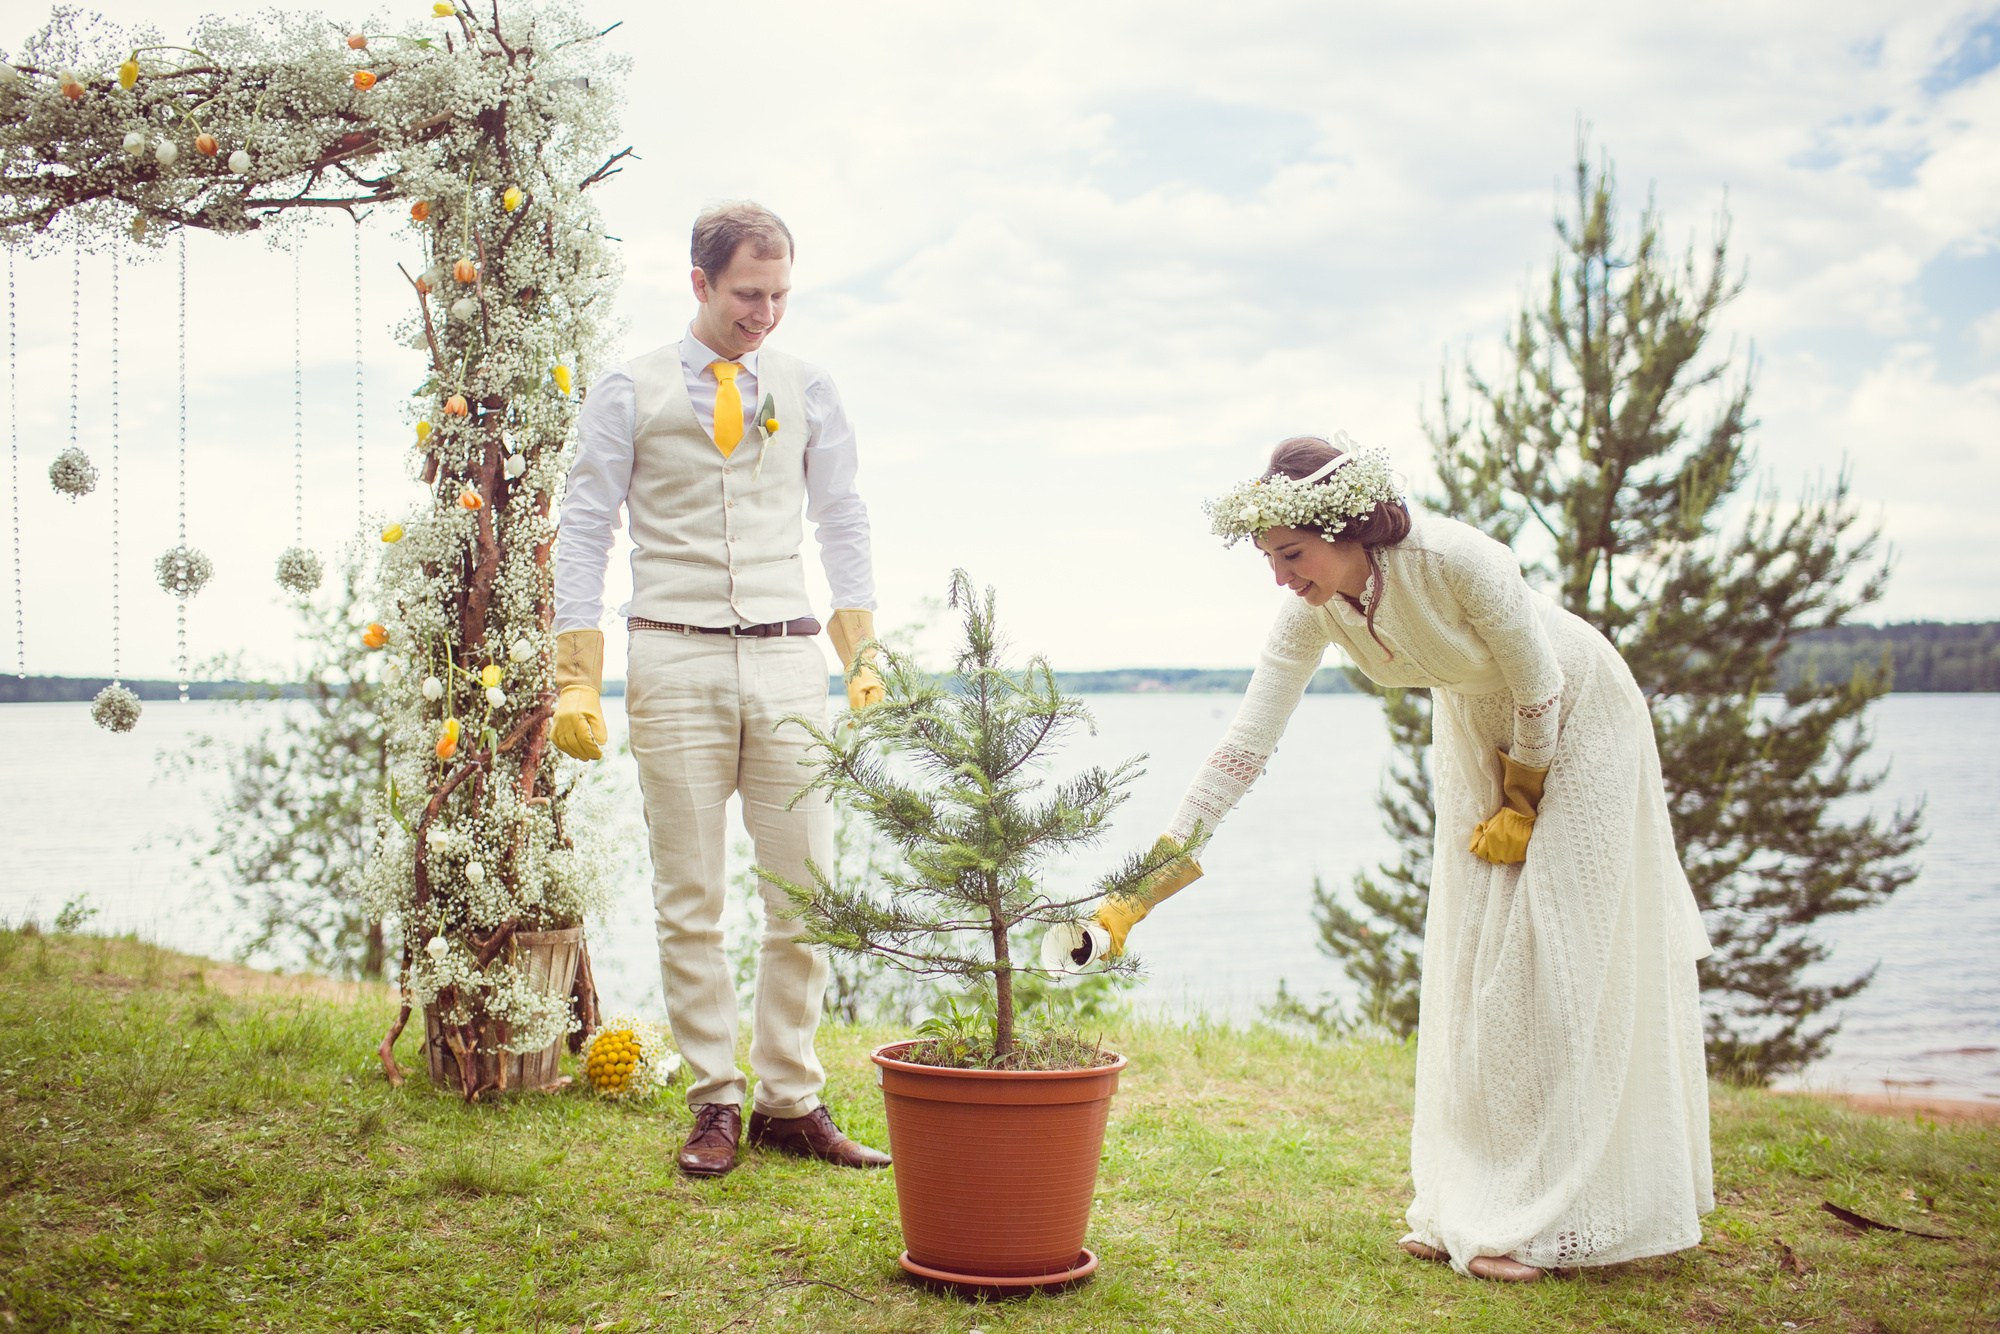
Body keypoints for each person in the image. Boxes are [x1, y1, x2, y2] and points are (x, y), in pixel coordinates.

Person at [1084, 434, 1714, 1280]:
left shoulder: (1457, 559)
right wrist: (1145, 886)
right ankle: (1472, 1204)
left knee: (1555, 961)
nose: (1281, 577)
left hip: (1577, 715)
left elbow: (1540, 684)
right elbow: (1244, 744)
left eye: (1292, 555)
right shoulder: (1310, 611)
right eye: (1269, 560)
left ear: (1345, 530)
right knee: (1476, 968)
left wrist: (1522, 797)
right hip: (1474, 728)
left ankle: (1552, 1222)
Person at [550, 202, 891, 1179]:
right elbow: (583, 530)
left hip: (788, 653)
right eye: (749, 293)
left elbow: (843, 516)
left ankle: (790, 1097)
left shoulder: (808, 388)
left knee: (806, 892)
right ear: (698, 283)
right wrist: (578, 673)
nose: (766, 312)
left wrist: (860, 643)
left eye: (781, 293)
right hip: (673, 652)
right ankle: (714, 1100)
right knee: (690, 895)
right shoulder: (630, 389)